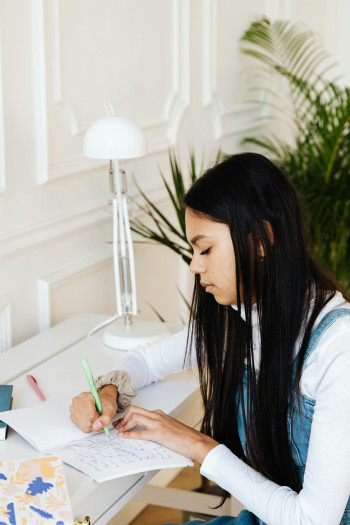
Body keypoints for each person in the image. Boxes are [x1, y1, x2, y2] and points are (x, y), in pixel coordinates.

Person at [70, 153, 350, 525]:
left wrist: (195, 443)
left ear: (262, 240)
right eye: (192, 250)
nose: (195, 265)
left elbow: (313, 520)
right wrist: (107, 392)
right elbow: (147, 361)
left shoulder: (337, 348)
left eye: (206, 249)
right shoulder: (242, 317)